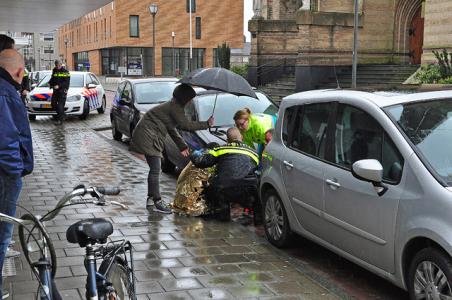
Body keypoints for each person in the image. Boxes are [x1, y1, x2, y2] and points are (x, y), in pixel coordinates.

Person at [130, 83, 214, 214]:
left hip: (148, 134)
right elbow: (185, 125)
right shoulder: (175, 108)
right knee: (156, 169)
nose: (191, 100)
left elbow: (172, 128)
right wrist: (206, 124)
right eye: (190, 98)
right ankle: (157, 201)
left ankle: (151, 199)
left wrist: (182, 146)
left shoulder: (173, 106)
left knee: (154, 169)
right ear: (184, 98)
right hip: (148, 136)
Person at [0, 49, 34, 297]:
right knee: (2, 234)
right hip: (4, 176)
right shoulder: (5, 93)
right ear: (20, 72)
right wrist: (16, 172)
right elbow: (5, 142)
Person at [190, 127, 262, 224]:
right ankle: (258, 219)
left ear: (227, 140)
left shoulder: (220, 149)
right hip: (247, 191)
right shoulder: (254, 153)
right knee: (256, 189)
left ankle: (222, 212)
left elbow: (201, 162)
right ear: (241, 137)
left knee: (211, 187)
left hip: (224, 189)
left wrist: (195, 154)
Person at [48, 60, 70, 125]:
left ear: (61, 65)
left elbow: (66, 82)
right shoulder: (54, 70)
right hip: (55, 91)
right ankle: (63, 114)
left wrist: (59, 86)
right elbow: (52, 78)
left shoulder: (65, 72)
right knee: (53, 104)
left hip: (62, 91)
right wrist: (49, 83)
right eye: (57, 65)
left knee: (60, 105)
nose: (58, 67)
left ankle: (60, 120)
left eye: (59, 65)